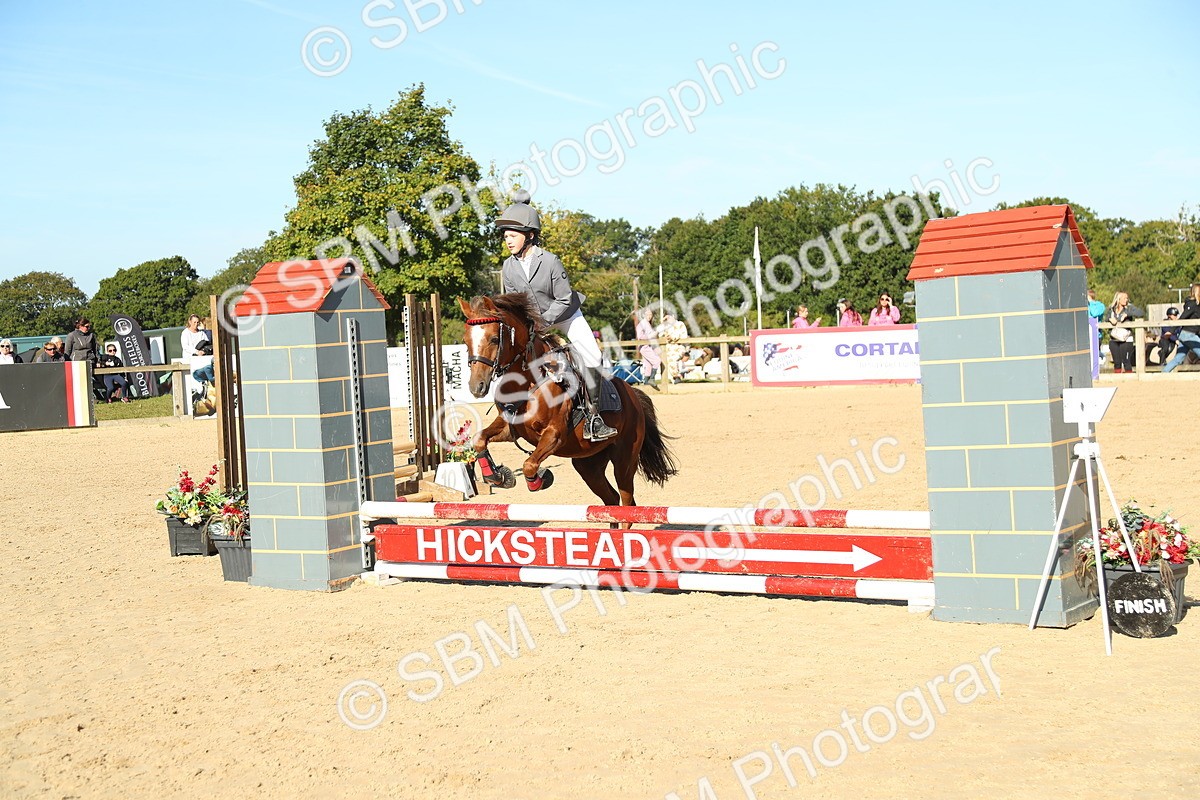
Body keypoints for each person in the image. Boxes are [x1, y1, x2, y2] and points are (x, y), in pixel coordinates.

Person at [494, 190, 617, 441]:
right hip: (534, 321)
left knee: (592, 355)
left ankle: (594, 417)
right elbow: (513, 304)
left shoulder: (550, 261)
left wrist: (543, 322)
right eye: (506, 236)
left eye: (512, 235)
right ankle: (514, 404)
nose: (508, 241)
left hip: (565, 315)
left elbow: (563, 299)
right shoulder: (508, 266)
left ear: (529, 235)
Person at [1162, 283, 1200, 374]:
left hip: (1186, 335)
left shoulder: (1197, 305)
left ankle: (1163, 373)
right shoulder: (1192, 304)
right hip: (1188, 335)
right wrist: (1171, 331)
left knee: (1178, 359)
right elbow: (1182, 318)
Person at [1107, 291, 1141, 373]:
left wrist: (1127, 314)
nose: (1126, 300)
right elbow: (1106, 317)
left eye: (1127, 298)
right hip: (1114, 338)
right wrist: (1110, 319)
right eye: (1124, 298)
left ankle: (1129, 378)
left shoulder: (1129, 308)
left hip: (1126, 338)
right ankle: (1118, 378)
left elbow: (1140, 313)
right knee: (1117, 362)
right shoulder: (1112, 309)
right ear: (1118, 299)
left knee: (1126, 361)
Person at [633, 308, 661, 382]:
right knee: (657, 360)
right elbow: (640, 336)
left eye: (650, 314)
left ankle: (646, 381)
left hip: (648, 345)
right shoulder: (642, 323)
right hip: (644, 346)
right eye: (647, 314)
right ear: (644, 315)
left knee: (648, 364)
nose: (649, 316)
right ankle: (651, 379)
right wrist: (652, 335)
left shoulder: (647, 324)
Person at [1087, 289, 1106, 379]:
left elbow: (1094, 313)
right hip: (1084, 335)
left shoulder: (1100, 306)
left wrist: (1091, 302)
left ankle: (1095, 375)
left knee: (1094, 356)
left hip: (1096, 336)